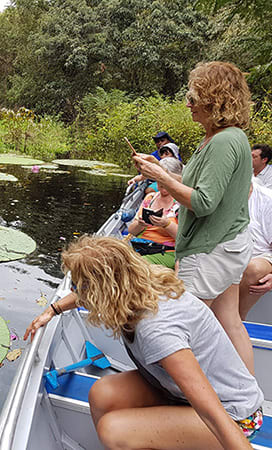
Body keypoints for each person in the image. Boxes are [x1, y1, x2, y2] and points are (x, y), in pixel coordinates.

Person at [24, 236, 263, 449]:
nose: (77, 292)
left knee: (113, 430)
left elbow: (211, 411)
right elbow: (90, 292)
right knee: (102, 393)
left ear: (102, 292)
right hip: (177, 393)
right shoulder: (138, 285)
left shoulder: (157, 331)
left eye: (78, 285)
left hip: (234, 417)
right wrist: (53, 310)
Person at [133, 61, 255, 374]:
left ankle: (194, 399)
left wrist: (164, 179)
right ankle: (246, 393)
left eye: (194, 97)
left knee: (186, 327)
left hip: (210, 250)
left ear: (216, 100)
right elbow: (204, 184)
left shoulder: (224, 141)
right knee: (230, 321)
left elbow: (203, 202)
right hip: (230, 244)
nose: (188, 104)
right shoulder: (227, 137)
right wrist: (160, 169)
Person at [127, 158, 183, 268]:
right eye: (159, 179)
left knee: (133, 266)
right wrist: (140, 224)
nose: (162, 184)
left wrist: (166, 224)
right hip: (140, 248)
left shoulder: (181, 202)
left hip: (166, 252)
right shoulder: (150, 198)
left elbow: (184, 239)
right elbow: (132, 231)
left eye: (165, 179)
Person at [239, 180, 272, 319]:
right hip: (227, 254)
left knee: (253, 268)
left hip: (259, 255)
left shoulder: (267, 199)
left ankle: (238, 320)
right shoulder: (213, 195)